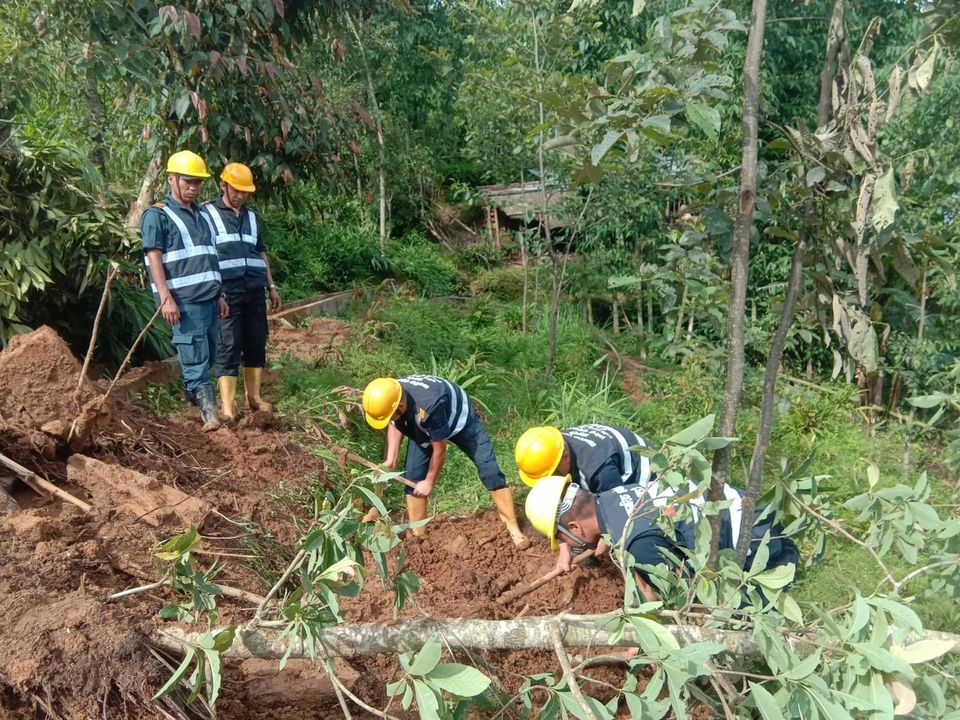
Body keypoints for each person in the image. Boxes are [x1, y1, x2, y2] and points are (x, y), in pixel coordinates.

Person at [524, 475, 800, 602]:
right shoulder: (611, 497)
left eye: (563, 537)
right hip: (753, 506)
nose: (568, 545)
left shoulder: (638, 545)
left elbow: (680, 590)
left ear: (575, 526)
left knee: (722, 604)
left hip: (760, 543)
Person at [362, 374, 529, 548]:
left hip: (460, 420)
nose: (389, 420)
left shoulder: (428, 407)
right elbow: (394, 423)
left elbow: (440, 449)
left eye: (390, 416)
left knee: (489, 469)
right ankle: (418, 537)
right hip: (423, 420)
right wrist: (391, 459)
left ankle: (513, 528)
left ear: (401, 406)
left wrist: (429, 481)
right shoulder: (391, 393)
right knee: (413, 478)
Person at [141, 150, 228, 432]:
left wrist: (221, 294)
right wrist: (166, 299)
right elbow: (154, 258)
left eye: (197, 183)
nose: (193, 187)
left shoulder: (202, 214)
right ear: (172, 180)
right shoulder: (157, 216)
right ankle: (209, 414)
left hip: (209, 298)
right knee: (195, 355)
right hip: (183, 302)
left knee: (212, 352)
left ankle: (194, 394)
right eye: (188, 182)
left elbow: (210, 256)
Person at [515, 424, 657, 571]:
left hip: (642, 471)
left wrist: (608, 536)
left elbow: (618, 507)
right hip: (605, 463)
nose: (552, 481)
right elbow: (558, 508)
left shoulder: (598, 470)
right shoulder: (553, 448)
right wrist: (564, 547)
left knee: (629, 533)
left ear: (565, 457)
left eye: (552, 475)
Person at [202, 162, 281, 421]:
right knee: (229, 344)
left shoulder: (252, 217)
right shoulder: (208, 214)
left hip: (254, 289)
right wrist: (216, 291)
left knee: (256, 340)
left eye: (245, 192)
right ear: (223, 185)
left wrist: (271, 286)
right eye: (236, 190)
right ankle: (227, 406)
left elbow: (260, 252)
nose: (241, 195)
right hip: (227, 291)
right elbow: (206, 255)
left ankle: (254, 397)